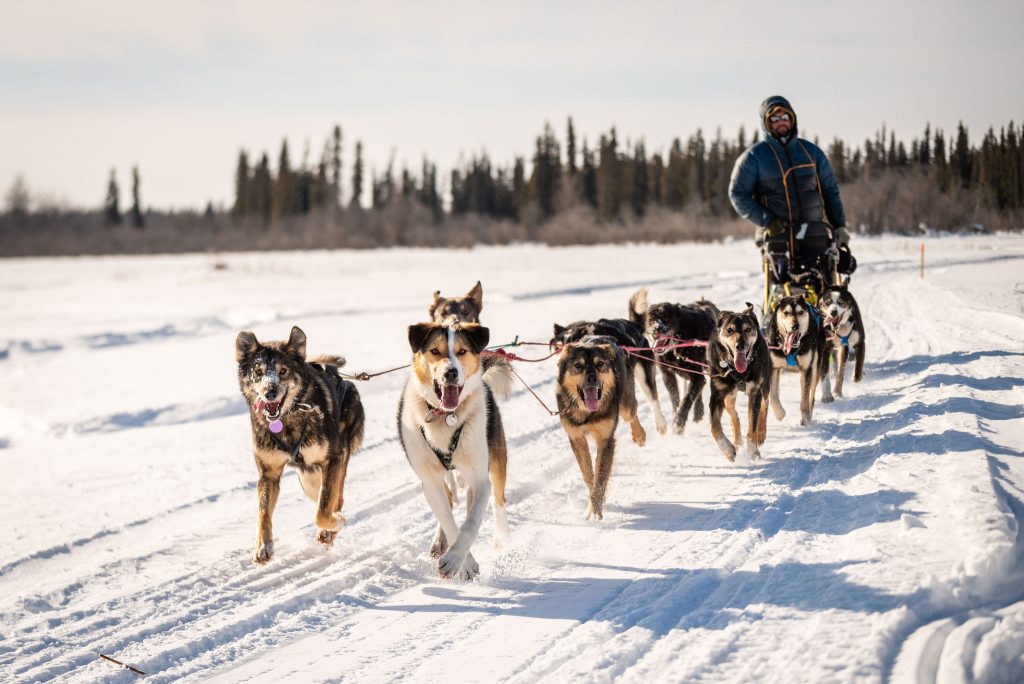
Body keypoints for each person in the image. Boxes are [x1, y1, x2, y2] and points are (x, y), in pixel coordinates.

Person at [729, 95, 855, 287]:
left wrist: (839, 226)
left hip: (814, 235)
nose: (781, 122)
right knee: (782, 293)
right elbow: (737, 194)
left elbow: (830, 191)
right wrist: (768, 221)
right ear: (766, 123)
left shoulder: (811, 152)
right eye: (774, 119)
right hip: (777, 237)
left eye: (784, 117)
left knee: (825, 289)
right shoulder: (754, 157)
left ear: (792, 119)